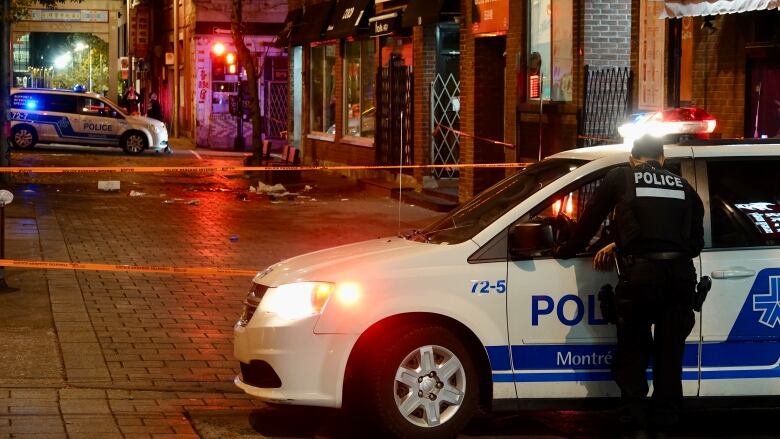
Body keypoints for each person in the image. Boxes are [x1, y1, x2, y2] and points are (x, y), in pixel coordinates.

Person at [554, 135, 704, 439]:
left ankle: (634, 422)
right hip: (680, 278)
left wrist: (567, 249)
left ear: (634, 159)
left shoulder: (622, 176)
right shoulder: (685, 187)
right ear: (661, 159)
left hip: (641, 277)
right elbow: (696, 243)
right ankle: (666, 422)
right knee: (669, 353)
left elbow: (590, 219)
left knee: (633, 350)